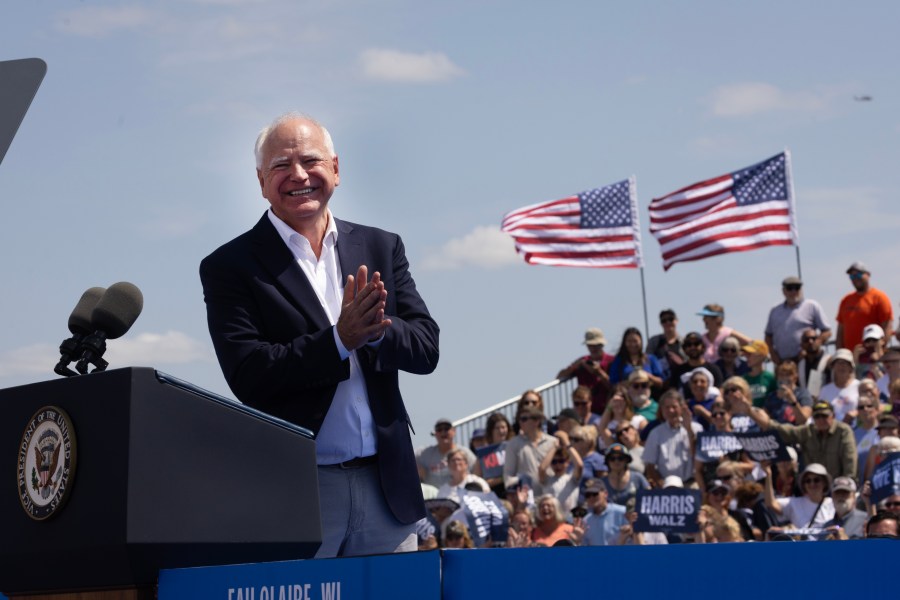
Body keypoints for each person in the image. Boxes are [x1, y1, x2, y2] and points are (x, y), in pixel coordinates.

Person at [199, 112, 439, 558]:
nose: (298, 175)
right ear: (260, 180)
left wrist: (375, 333)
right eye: (280, 166)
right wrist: (338, 340)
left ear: (335, 168)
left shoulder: (382, 246)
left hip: (386, 489)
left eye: (310, 161)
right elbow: (249, 373)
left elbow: (426, 347)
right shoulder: (230, 267)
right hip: (300, 490)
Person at [738, 399, 857, 481]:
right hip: (814, 486)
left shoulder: (843, 431)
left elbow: (849, 461)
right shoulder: (808, 431)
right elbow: (778, 430)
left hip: (837, 486)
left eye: (825, 416)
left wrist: (846, 486)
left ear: (833, 416)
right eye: (817, 417)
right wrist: (750, 412)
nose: (821, 420)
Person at [764, 276, 831, 365]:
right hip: (782, 363)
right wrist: (772, 354)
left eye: (797, 288)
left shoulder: (812, 306)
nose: (793, 291)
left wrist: (815, 344)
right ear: (783, 291)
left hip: (806, 360)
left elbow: (827, 331)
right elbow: (768, 336)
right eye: (790, 288)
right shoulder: (775, 311)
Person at [643, 390, 703, 488]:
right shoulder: (655, 433)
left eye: (674, 407)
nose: (671, 411)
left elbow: (698, 455)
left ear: (682, 408)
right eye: (667, 407)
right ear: (661, 410)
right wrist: (659, 482)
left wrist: (688, 429)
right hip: (666, 485)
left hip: (691, 482)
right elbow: (650, 465)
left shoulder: (697, 428)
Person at [836, 261, 893, 349]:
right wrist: (839, 352)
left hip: (871, 357)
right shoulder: (846, 300)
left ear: (868, 275)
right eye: (852, 276)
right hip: (850, 357)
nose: (855, 278)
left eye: (858, 274)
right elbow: (840, 330)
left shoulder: (880, 297)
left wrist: (880, 351)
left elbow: (887, 327)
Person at [556, 328, 614, 413]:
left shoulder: (611, 361)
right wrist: (575, 366)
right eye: (590, 345)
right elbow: (559, 376)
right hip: (586, 411)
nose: (593, 348)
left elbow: (614, 387)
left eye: (596, 345)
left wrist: (599, 373)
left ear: (602, 344)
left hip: (607, 410)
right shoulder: (582, 361)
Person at [763, 462, 835, 530]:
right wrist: (768, 474)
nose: (812, 484)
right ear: (804, 485)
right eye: (808, 481)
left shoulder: (833, 503)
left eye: (816, 480)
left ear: (825, 483)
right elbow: (770, 503)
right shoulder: (794, 503)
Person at [503, 407, 558, 495]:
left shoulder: (552, 442)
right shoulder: (513, 444)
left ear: (536, 421)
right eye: (519, 419)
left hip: (551, 497)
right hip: (527, 500)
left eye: (524, 419)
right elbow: (508, 476)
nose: (520, 422)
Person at [417, 418, 477, 487]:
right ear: (435, 434)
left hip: (458, 495)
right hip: (432, 496)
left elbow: (477, 469)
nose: (443, 432)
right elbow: (406, 457)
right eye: (439, 429)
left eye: (446, 429)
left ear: (454, 431)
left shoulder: (465, 452)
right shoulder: (425, 453)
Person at [667, 332, 725, 396]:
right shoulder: (678, 371)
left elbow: (720, 393)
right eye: (689, 345)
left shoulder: (714, 369)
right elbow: (672, 393)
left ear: (703, 347)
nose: (692, 347)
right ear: (684, 349)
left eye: (696, 344)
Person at [538, 435, 583, 513]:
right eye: (554, 462)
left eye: (561, 461)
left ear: (568, 462)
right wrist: (554, 447)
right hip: (552, 519)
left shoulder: (572, 479)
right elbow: (542, 468)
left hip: (569, 518)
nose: (558, 465)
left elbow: (579, 465)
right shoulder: (547, 480)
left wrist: (568, 445)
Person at [597, 384, 647, 448]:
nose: (617, 403)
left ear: (627, 401)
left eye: (622, 398)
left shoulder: (639, 420)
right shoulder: (601, 422)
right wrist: (609, 406)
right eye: (614, 400)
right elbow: (602, 428)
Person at [818, 349, 861, 424]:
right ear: (833, 367)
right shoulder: (825, 390)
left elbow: (869, 407)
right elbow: (820, 412)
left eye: (845, 363)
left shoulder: (860, 386)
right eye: (838, 363)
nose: (842, 366)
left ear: (851, 367)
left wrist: (855, 413)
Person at [764, 360, 813, 425]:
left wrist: (791, 399)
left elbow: (803, 419)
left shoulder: (803, 393)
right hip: (778, 432)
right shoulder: (771, 396)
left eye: (788, 374)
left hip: (796, 432)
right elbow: (764, 420)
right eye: (781, 375)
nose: (784, 378)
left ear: (795, 377)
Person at [581, 479, 627, 546]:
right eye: (588, 495)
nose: (591, 497)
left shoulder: (622, 512)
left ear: (605, 494)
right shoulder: (586, 521)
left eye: (595, 494)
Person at [646, 309, 687, 381]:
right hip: (660, 383)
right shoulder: (654, 341)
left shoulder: (684, 341)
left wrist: (681, 363)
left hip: (680, 381)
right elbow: (647, 361)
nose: (668, 322)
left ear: (676, 321)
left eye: (670, 319)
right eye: (664, 321)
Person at [741, 339, 776, 408]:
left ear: (762, 356)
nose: (746, 357)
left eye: (750, 354)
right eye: (746, 354)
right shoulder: (742, 380)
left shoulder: (771, 378)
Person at [797, 327, 831, 397]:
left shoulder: (829, 361)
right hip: (806, 404)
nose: (810, 341)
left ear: (819, 340)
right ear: (802, 344)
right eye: (806, 340)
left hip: (825, 403)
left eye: (814, 338)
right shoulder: (800, 364)